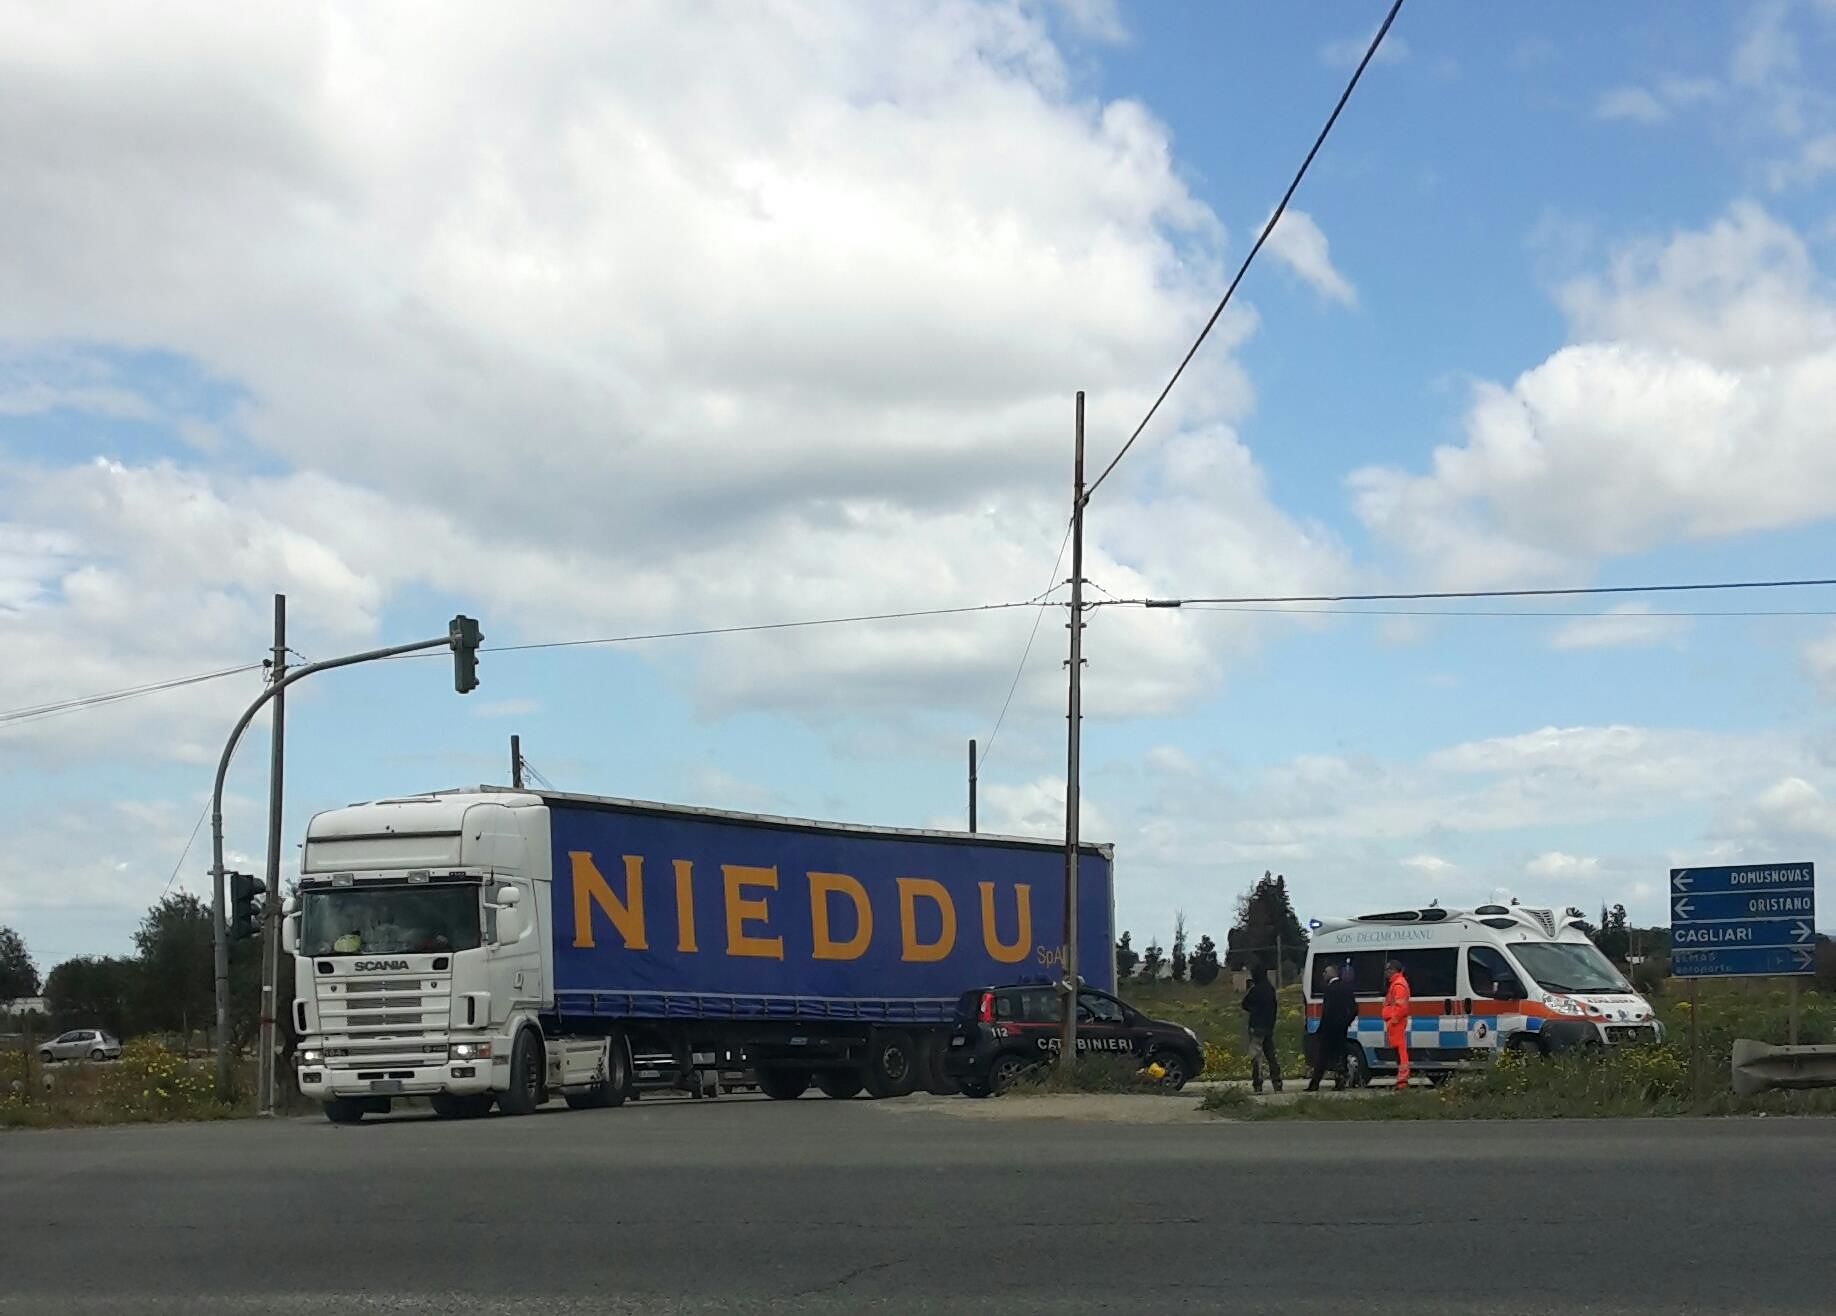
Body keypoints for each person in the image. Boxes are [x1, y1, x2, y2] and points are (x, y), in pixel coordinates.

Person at [1307, 963, 1356, 1091]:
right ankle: (1340, 1082)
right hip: (1341, 1029)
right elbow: (1354, 1008)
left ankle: (1315, 1083)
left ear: (1333, 973)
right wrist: (1346, 1022)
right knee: (1340, 1055)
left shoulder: (1329, 989)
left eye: (1325, 972)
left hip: (1329, 1029)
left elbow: (1327, 1012)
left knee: (1322, 1057)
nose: (1323, 974)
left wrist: (1321, 1028)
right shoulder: (1347, 988)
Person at [1240, 966, 1281, 1093]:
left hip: (1256, 1027)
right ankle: (1277, 1081)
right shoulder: (1270, 990)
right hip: (1268, 1027)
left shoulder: (1255, 990)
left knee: (1256, 1057)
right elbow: (1275, 1008)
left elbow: (1244, 1004)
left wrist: (1254, 1010)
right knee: (1271, 1056)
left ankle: (1258, 1083)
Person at [1382, 958, 1412, 1090]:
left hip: (1396, 1024)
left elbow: (1401, 1007)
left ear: (1393, 970)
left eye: (1387, 969)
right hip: (1395, 1023)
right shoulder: (1396, 983)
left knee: (1400, 1054)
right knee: (1399, 1054)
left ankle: (1402, 1082)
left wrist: (1392, 1019)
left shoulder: (1398, 984)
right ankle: (1401, 1080)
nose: (1385, 972)